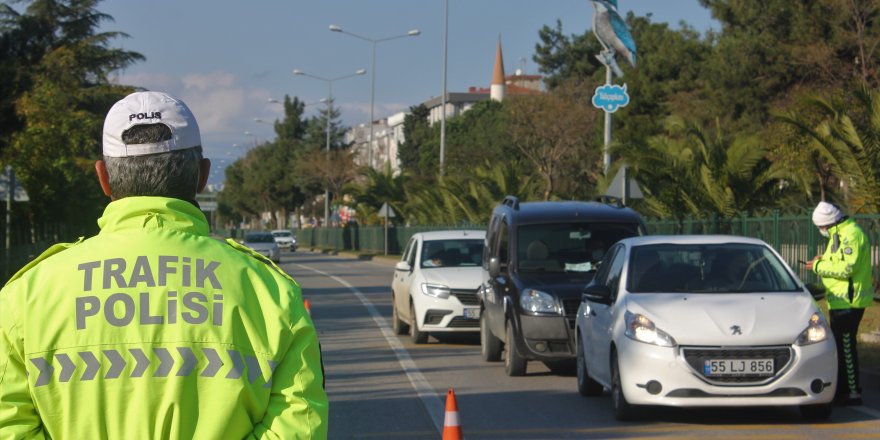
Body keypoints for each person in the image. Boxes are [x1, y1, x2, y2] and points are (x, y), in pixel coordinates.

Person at [0, 91, 329, 438]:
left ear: (104, 179)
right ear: (202, 176)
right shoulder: (271, 292)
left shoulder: (26, 296)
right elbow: (300, 427)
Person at [805, 201, 873, 406]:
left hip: (849, 301)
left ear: (827, 224)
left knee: (846, 347)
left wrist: (818, 265)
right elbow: (834, 261)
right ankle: (842, 390)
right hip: (839, 301)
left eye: (820, 227)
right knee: (841, 348)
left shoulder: (850, 234)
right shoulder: (838, 235)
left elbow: (846, 268)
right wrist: (821, 260)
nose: (820, 231)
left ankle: (853, 393)